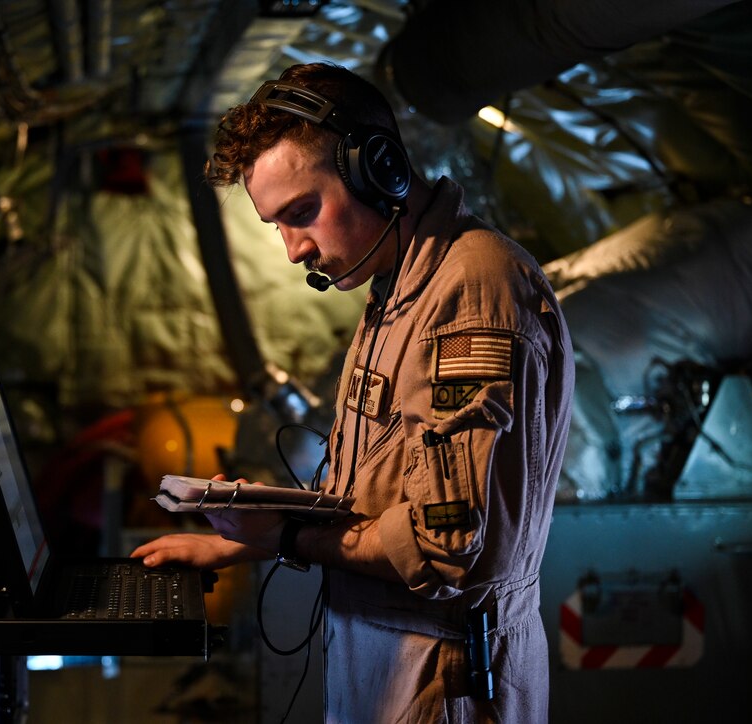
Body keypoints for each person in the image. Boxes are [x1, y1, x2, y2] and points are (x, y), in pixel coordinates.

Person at [132, 62, 575, 723]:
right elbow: (378, 497)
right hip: (392, 667)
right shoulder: (398, 286)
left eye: (302, 213)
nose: (291, 251)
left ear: (379, 171)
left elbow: (440, 548)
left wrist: (281, 536)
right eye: (276, 224)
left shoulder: (469, 295)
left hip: (445, 682)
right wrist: (242, 536)